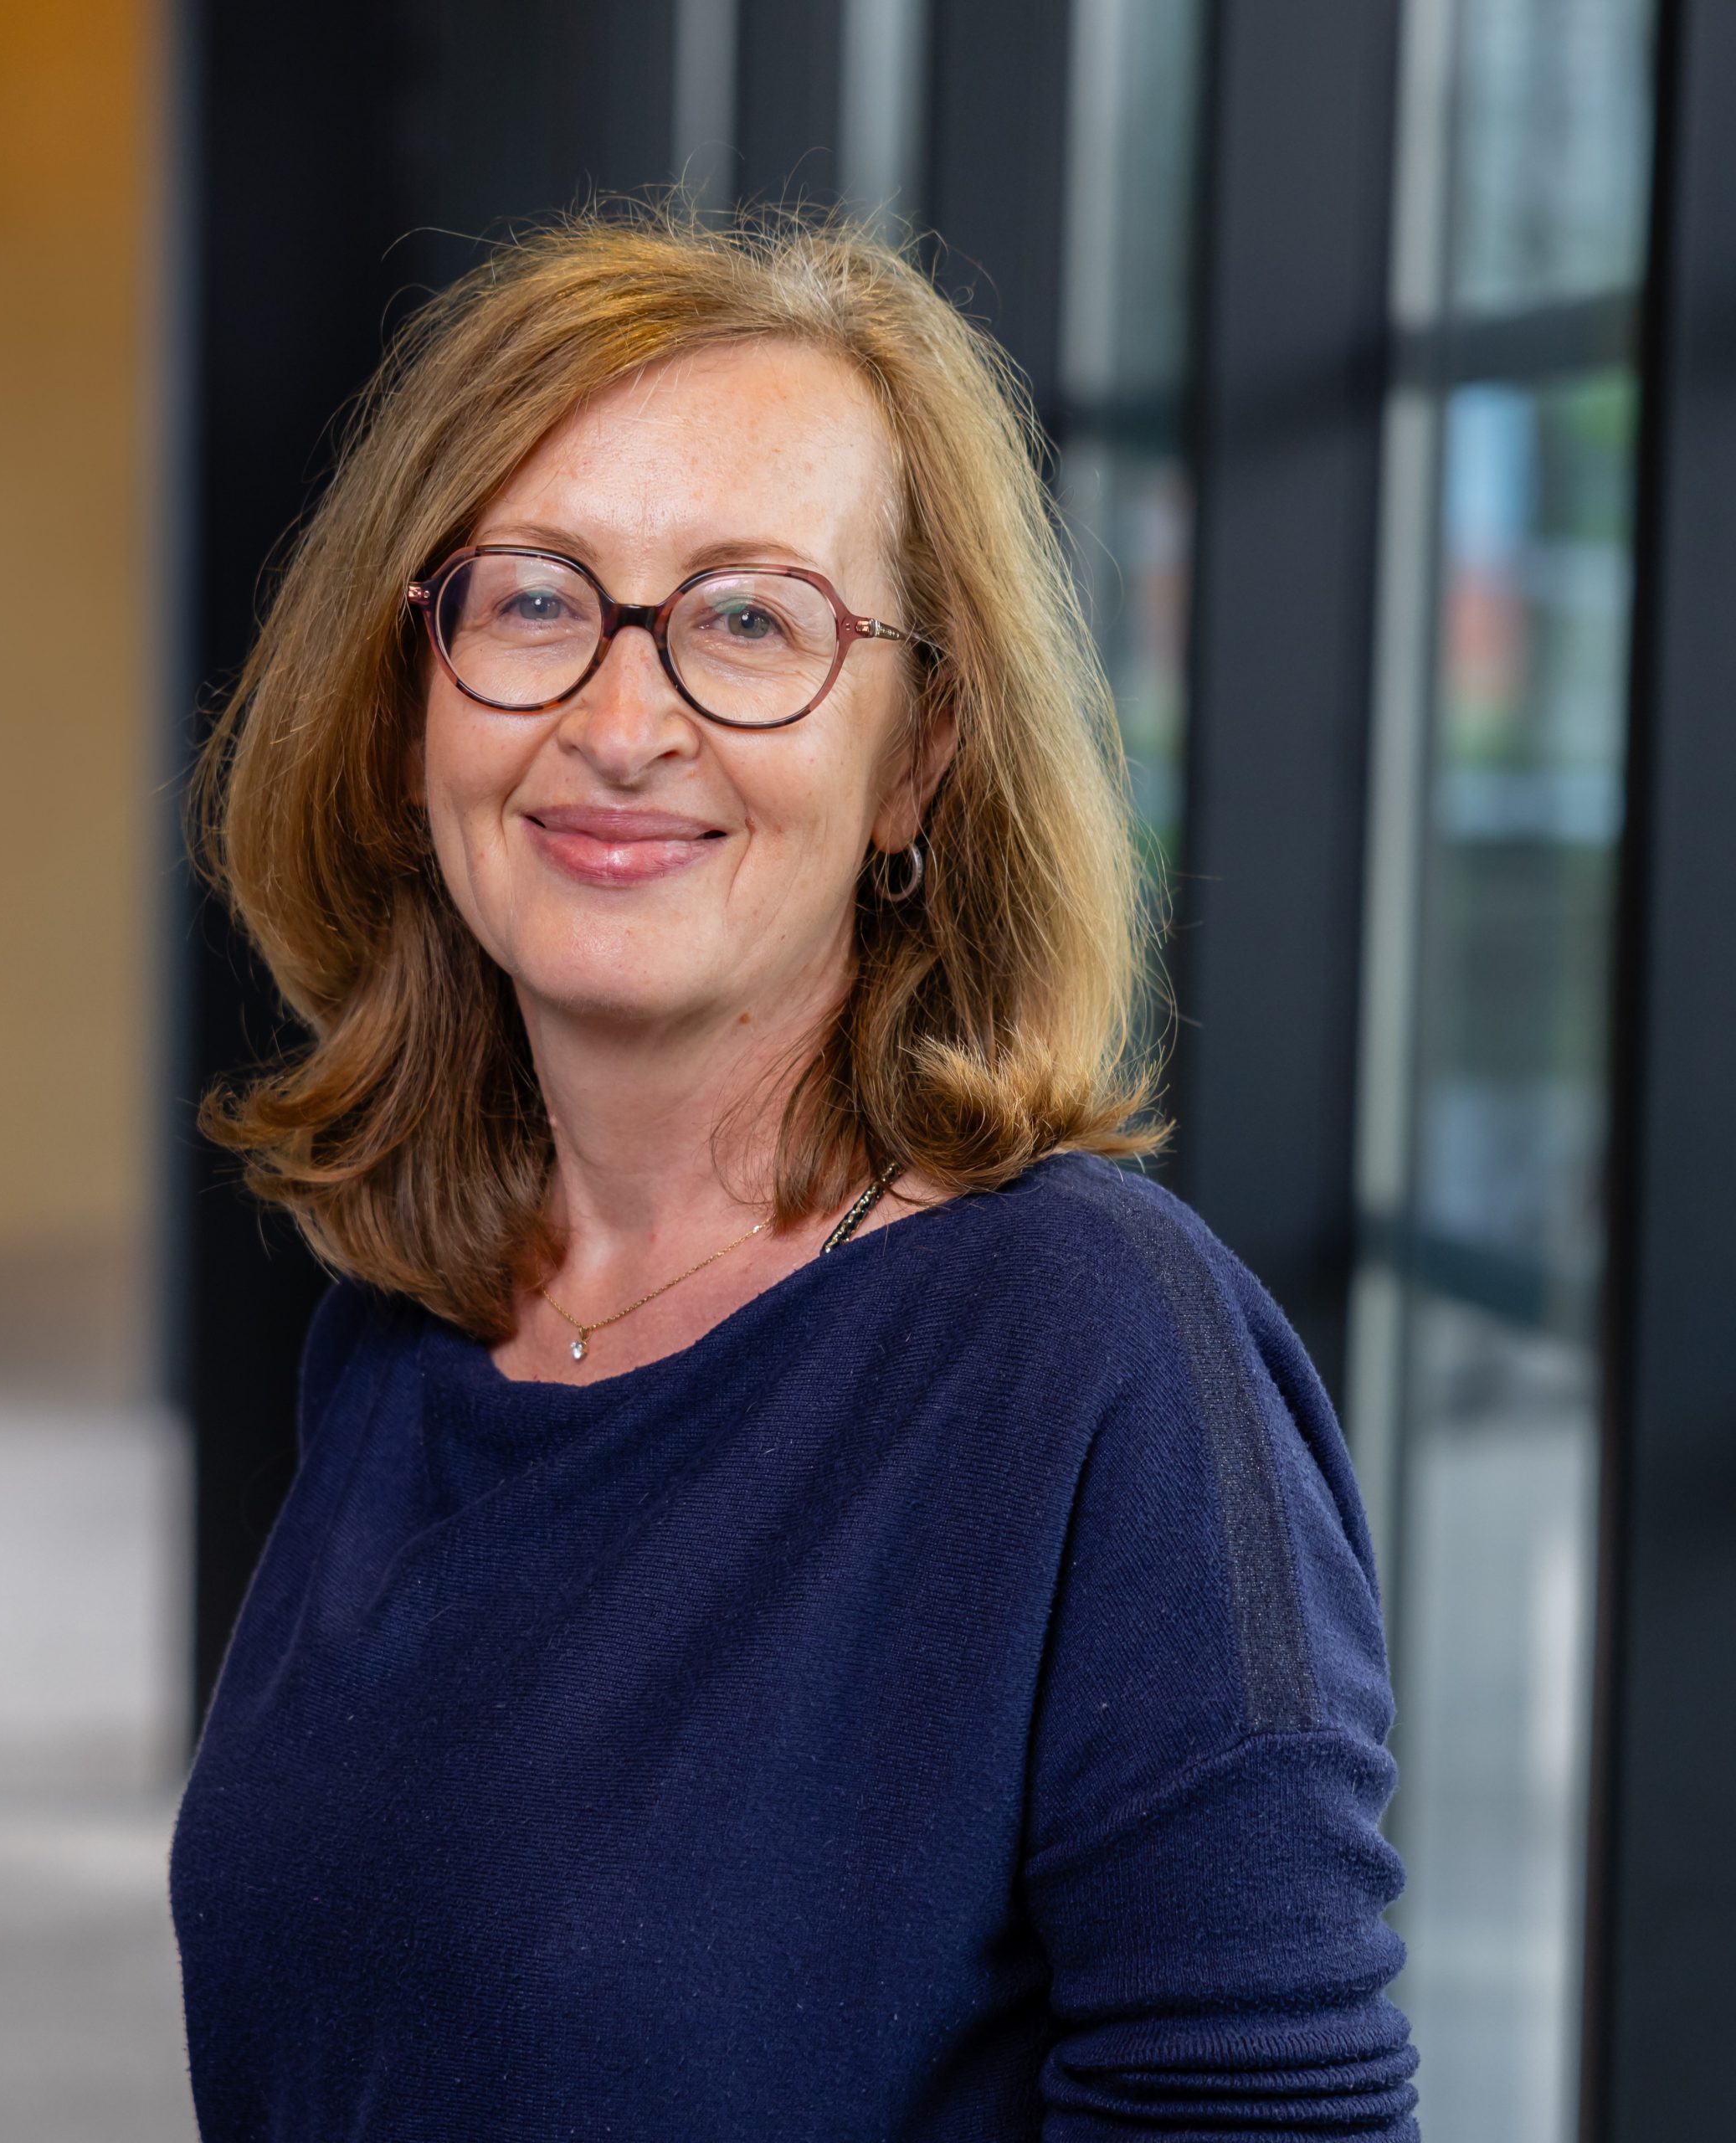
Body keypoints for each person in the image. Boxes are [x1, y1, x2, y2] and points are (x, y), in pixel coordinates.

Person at [169, 208, 1418, 2140]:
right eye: (530, 598)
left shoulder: (1099, 1366)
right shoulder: (414, 1318)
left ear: (913, 759)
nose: (619, 715)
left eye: (748, 618)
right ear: (408, 694)